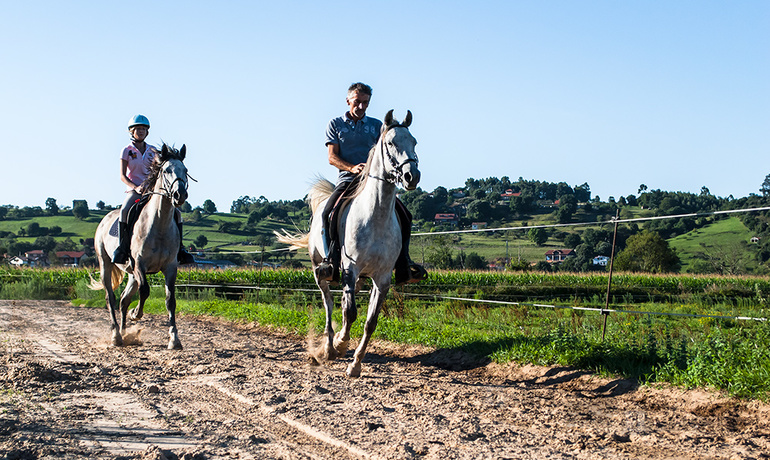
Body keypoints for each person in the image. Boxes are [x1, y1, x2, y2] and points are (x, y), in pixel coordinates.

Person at [316, 82, 427, 284]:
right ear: (348, 100)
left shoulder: (377, 126)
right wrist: (352, 168)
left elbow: (388, 152)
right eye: (357, 102)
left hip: (375, 182)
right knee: (327, 212)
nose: (361, 107)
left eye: (365, 103)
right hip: (348, 179)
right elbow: (332, 157)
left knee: (406, 215)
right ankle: (330, 261)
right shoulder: (335, 124)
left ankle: (404, 263)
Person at [112, 115, 195, 265]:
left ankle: (180, 249)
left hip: (152, 191)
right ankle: (122, 248)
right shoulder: (126, 151)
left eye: (144, 129)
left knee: (177, 213)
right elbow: (122, 176)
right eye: (138, 129)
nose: (141, 131)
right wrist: (135, 187)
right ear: (132, 131)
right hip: (134, 190)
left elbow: (160, 172)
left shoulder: (153, 151)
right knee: (125, 211)